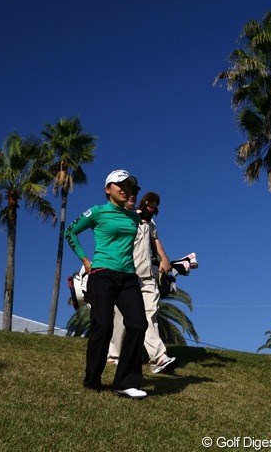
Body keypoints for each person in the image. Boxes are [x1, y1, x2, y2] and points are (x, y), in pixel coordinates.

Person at [65, 169, 149, 399]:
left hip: (129, 277)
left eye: (129, 185)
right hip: (102, 274)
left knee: (138, 324)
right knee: (103, 326)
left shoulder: (133, 217)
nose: (125, 189)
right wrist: (85, 259)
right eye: (120, 184)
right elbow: (70, 231)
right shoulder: (97, 212)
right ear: (107, 189)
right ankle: (92, 380)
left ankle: (125, 382)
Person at [107, 191, 178, 373]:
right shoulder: (119, 218)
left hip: (146, 277)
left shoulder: (149, 222)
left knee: (149, 315)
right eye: (128, 193)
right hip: (126, 275)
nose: (131, 196)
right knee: (121, 319)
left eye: (134, 194)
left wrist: (164, 258)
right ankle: (114, 355)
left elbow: (155, 241)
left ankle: (159, 358)